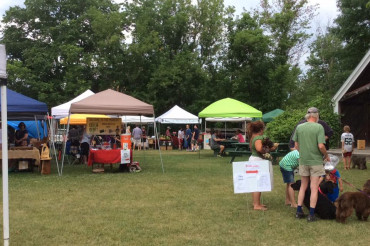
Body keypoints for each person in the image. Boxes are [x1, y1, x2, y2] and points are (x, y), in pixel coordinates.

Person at [293, 107, 330, 222]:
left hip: (303, 161)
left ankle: (299, 211)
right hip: (315, 161)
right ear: (316, 115)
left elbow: (296, 145)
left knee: (303, 186)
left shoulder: (299, 127)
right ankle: (311, 214)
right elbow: (321, 146)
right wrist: (326, 155)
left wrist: (302, 153)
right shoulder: (319, 127)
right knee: (314, 187)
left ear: (308, 115)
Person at [248, 121, 278, 211]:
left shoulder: (253, 136)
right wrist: (271, 148)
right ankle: (256, 205)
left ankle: (256, 202)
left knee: (256, 183)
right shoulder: (258, 138)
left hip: (255, 160)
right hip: (258, 161)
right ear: (261, 129)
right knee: (258, 183)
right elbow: (259, 149)